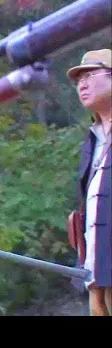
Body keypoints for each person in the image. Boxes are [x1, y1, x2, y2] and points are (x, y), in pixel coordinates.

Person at [66, 48, 111, 316]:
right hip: (96, 272)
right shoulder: (92, 139)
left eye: (90, 75)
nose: (82, 84)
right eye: (78, 80)